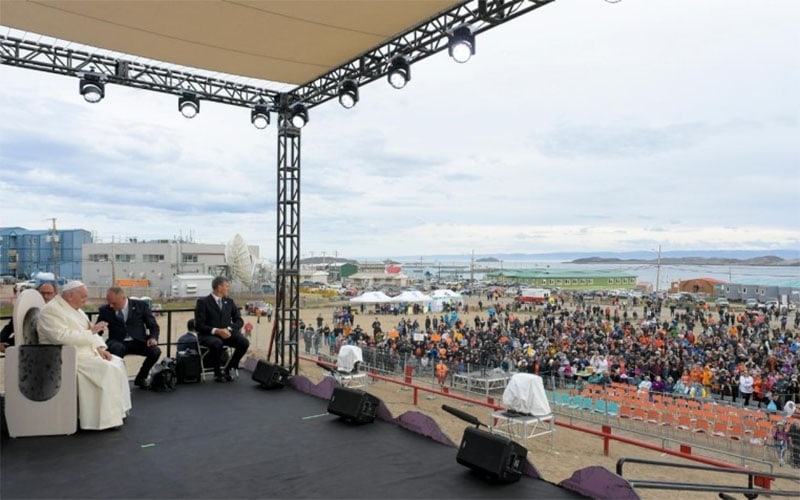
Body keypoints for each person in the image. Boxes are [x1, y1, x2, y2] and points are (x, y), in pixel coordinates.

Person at [36, 281, 131, 431]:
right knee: (107, 370)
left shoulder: (75, 309)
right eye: (83, 296)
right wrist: (92, 332)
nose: (85, 300)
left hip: (83, 352)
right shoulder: (51, 311)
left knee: (117, 362)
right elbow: (61, 337)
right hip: (65, 357)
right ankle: (102, 420)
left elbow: (88, 331)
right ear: (70, 296)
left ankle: (118, 411)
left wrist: (100, 348)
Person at [96, 286, 161, 389]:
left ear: (123, 298)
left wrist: (153, 338)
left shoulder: (141, 306)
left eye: (114, 303)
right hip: (117, 341)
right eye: (109, 302)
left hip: (139, 340)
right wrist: (96, 344)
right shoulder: (105, 310)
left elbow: (153, 326)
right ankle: (118, 382)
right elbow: (98, 331)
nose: (111, 306)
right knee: (117, 349)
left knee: (155, 351)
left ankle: (141, 378)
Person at [194, 276, 249, 383]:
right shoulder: (203, 302)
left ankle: (229, 368)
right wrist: (217, 331)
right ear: (219, 287)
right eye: (226, 286)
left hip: (227, 333)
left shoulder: (229, 301)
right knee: (217, 343)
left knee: (244, 342)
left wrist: (229, 328)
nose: (228, 288)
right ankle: (217, 372)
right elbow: (199, 325)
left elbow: (239, 320)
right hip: (208, 335)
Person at [0, 281, 57, 352]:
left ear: (55, 294)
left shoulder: (58, 313)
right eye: (42, 293)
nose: (45, 296)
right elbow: (11, 328)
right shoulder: (27, 308)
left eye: (49, 293)